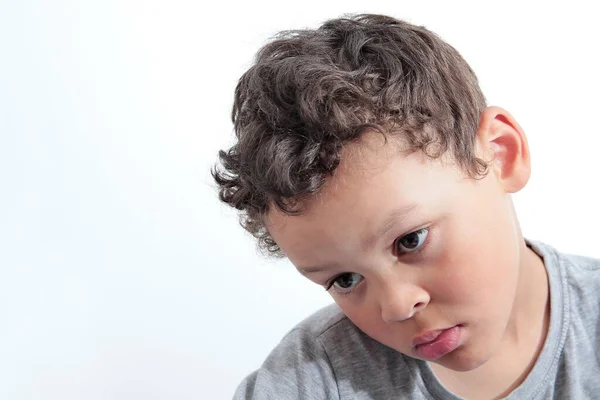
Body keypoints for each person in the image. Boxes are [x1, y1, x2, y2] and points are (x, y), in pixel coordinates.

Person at [212, 14, 600, 399]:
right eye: (345, 280)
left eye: (411, 240)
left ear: (500, 154)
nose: (396, 307)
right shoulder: (314, 381)